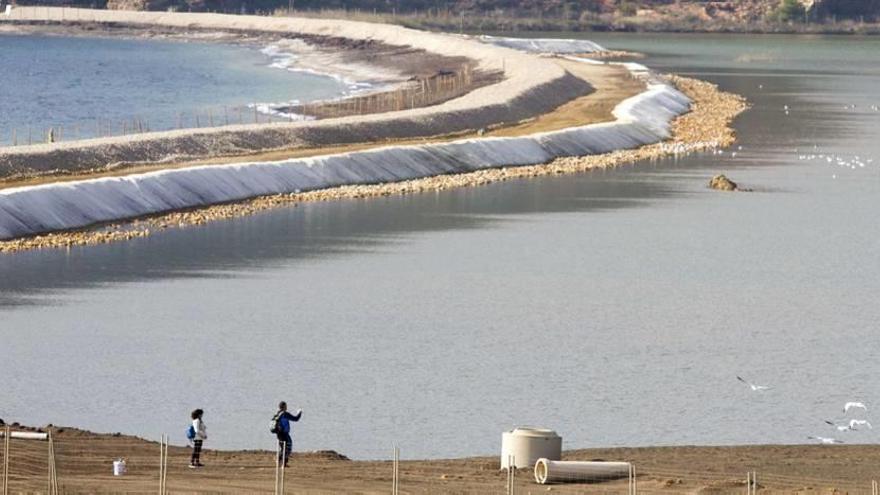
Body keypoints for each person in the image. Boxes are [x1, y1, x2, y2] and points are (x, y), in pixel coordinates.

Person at [272, 401, 302, 467]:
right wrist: (299, 412)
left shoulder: (277, 413)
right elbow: (296, 419)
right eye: (286, 406)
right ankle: (279, 459)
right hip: (284, 434)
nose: (287, 407)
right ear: (284, 407)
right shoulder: (285, 414)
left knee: (284, 448)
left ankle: (283, 463)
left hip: (279, 434)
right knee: (288, 448)